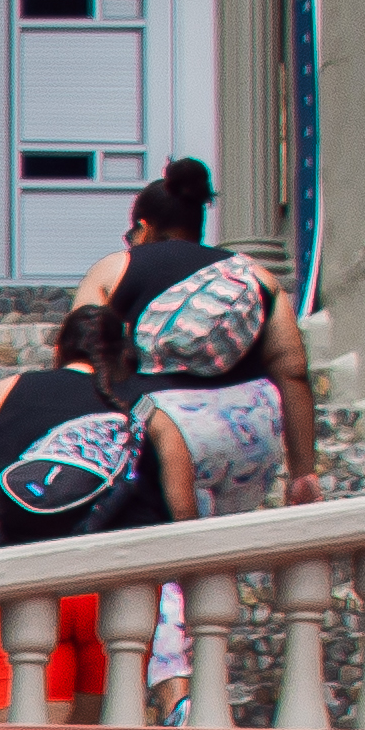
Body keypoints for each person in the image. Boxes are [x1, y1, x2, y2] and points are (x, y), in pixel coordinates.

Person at [0, 298, 199, 715]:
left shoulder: (8, 390)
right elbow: (184, 518)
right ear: (124, 357)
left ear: (58, 350)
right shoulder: (152, 414)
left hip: (12, 582)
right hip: (114, 593)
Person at [79, 152, 315, 517]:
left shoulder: (116, 269)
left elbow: (79, 359)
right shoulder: (255, 276)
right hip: (244, 448)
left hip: (158, 443)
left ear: (143, 228)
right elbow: (293, 371)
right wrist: (304, 473)